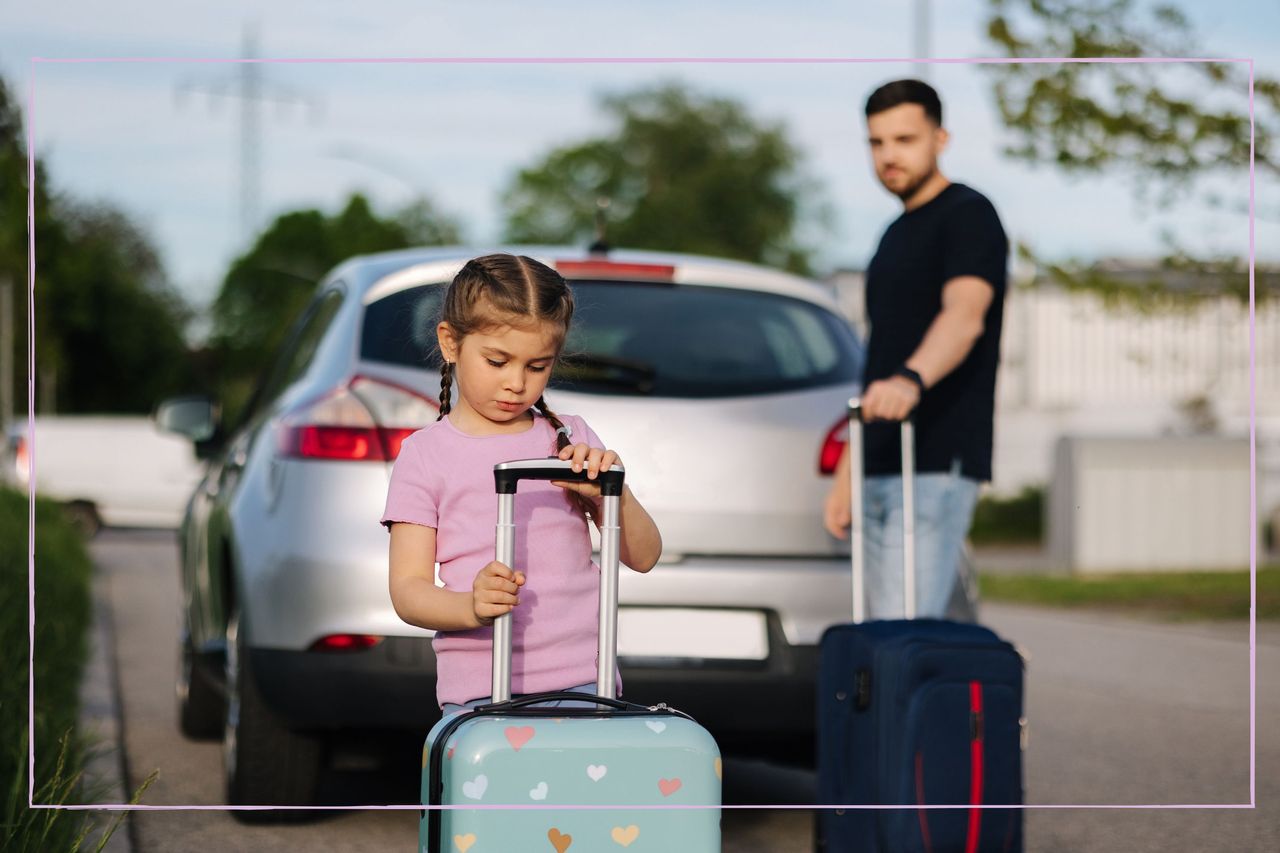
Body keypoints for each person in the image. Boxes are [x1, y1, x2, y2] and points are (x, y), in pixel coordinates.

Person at [382, 253, 662, 714]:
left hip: (587, 685)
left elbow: (644, 556)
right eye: (497, 361)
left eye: (537, 367)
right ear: (450, 342)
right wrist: (470, 606)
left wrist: (612, 494)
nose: (516, 383)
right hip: (481, 691)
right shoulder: (425, 454)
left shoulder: (569, 439)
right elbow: (408, 590)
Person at [823, 79, 1008, 620]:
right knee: (897, 638)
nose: (888, 156)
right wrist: (848, 468)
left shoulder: (969, 215)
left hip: (932, 461)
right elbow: (881, 358)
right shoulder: (892, 235)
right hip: (882, 460)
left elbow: (964, 317)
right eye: (877, 143)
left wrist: (911, 380)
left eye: (904, 139)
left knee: (904, 636)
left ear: (940, 137)